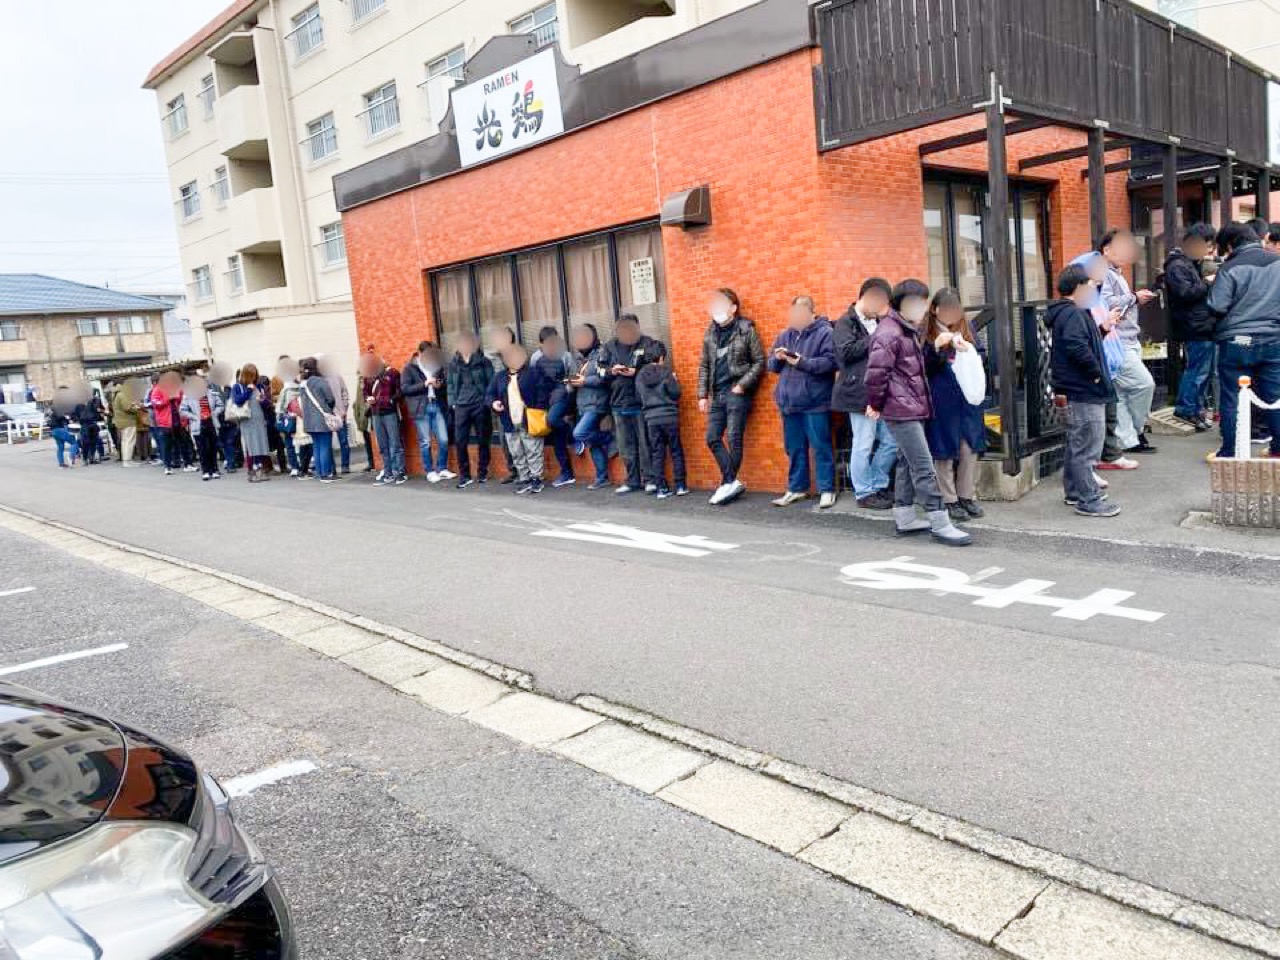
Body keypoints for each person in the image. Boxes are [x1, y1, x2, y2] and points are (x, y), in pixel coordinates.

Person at [865, 279, 971, 546]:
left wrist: (938, 347)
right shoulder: (889, 333)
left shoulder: (905, 329)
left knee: (905, 461)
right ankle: (940, 522)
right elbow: (876, 375)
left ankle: (905, 516)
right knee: (924, 466)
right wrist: (876, 405)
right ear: (898, 304)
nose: (920, 307)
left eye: (923, 301)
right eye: (914, 302)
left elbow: (916, 367)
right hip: (901, 409)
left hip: (910, 406)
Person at [1049, 265, 1121, 518]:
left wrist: (1102, 329)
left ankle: (1075, 492)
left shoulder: (1069, 314)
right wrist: (1096, 373)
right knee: (1087, 447)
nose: (1093, 290)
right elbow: (1077, 348)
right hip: (1083, 390)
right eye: (1090, 285)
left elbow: (1079, 344)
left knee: (1077, 444)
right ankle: (1088, 499)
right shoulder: (1073, 315)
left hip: (1076, 389)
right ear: (1078, 287)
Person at [1207, 221, 1280, 458]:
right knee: (1275, 397)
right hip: (1274, 339)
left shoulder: (1230, 268)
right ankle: (1278, 450)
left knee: (1233, 399)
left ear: (1229, 245)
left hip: (1237, 341)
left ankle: (1231, 452)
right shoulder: (1277, 262)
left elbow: (1217, 305)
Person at [922, 288, 987, 522]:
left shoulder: (967, 329)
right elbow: (921, 366)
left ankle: (966, 496)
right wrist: (938, 347)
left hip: (967, 399)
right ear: (934, 309)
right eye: (945, 308)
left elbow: (981, 356)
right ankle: (948, 499)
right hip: (941, 400)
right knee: (944, 452)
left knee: (969, 448)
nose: (950, 313)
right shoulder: (926, 332)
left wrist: (967, 350)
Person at [767, 296, 838, 509]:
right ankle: (797, 488)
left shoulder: (825, 333)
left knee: (821, 446)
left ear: (811, 313)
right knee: (794, 448)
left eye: (799, 313)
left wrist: (801, 362)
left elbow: (830, 363)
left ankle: (827, 489)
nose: (794, 318)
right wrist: (778, 358)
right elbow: (771, 365)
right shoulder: (784, 335)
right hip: (789, 402)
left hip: (815, 402)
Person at [832, 278, 897, 509]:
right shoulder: (845, 322)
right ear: (865, 297)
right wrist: (876, 336)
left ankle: (878, 484)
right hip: (856, 394)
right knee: (863, 443)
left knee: (891, 440)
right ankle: (863, 492)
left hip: (879, 393)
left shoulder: (877, 322)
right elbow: (846, 353)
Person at [697, 288, 765, 506]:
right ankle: (730, 481)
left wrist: (742, 386)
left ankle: (727, 483)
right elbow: (705, 366)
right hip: (716, 394)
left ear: (733, 308)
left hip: (737, 393)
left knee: (734, 438)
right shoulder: (710, 333)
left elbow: (759, 362)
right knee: (712, 438)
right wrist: (702, 395)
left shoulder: (746, 329)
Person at [1098, 229, 1158, 455]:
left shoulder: (1116, 273)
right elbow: (1106, 303)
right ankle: (1137, 429)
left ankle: (1129, 440)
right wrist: (1134, 297)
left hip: (1124, 339)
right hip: (1117, 341)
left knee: (1121, 393)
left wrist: (1133, 299)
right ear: (1106, 250)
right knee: (1144, 383)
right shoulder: (1103, 273)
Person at [1164, 223, 1219, 431]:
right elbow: (1185, 293)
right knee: (1197, 370)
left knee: (1201, 371)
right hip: (1194, 326)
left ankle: (1195, 410)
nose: (1209, 251)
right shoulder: (1178, 266)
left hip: (1201, 325)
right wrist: (1207, 282)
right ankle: (1186, 409)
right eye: (1208, 246)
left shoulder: (1189, 263)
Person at [605, 313, 663, 495]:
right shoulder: (609, 346)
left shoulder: (647, 343)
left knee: (645, 444)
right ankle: (632, 480)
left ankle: (650, 480)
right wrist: (611, 371)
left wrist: (636, 372)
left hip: (640, 403)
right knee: (625, 446)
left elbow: (656, 366)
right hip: (618, 403)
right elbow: (599, 371)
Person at [487, 343, 553, 494]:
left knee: (533, 449)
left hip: (529, 418)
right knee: (516, 451)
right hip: (509, 419)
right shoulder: (500, 377)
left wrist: (537, 409)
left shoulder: (533, 373)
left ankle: (537, 478)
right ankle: (525, 478)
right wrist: (494, 403)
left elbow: (544, 392)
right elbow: (489, 394)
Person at [636, 344, 687, 499]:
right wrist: (675, 381)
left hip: (651, 419)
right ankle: (680, 486)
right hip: (669, 416)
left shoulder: (640, 376)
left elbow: (639, 398)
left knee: (657, 453)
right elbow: (675, 393)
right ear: (662, 357)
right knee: (676, 451)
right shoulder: (666, 373)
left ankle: (661, 489)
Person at [567, 323, 614, 490]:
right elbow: (572, 380)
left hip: (598, 402)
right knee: (592, 442)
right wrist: (571, 383)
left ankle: (610, 438)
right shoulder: (576, 358)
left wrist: (584, 381)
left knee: (580, 433)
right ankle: (602, 477)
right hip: (582, 403)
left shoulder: (602, 353)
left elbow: (605, 378)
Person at [447, 331, 495, 488]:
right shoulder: (454, 363)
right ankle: (465, 475)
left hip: (479, 404)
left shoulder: (483, 362)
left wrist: (487, 401)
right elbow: (450, 385)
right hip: (461, 407)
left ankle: (482, 472)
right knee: (460, 441)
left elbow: (491, 383)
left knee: (483, 439)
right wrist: (452, 402)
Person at [402, 341, 453, 483]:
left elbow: (442, 383)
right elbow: (405, 389)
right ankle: (430, 471)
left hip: (436, 404)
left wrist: (438, 385)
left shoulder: (434, 366)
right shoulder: (409, 368)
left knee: (444, 438)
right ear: (420, 353)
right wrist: (424, 384)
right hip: (421, 408)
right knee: (425, 441)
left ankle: (442, 468)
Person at [532, 327, 576, 487]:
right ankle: (567, 472)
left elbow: (573, 377)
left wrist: (568, 403)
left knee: (552, 420)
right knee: (557, 438)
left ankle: (572, 434)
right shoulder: (536, 358)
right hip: (545, 401)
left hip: (562, 398)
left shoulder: (566, 356)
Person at [362, 352, 405, 484]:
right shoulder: (368, 376)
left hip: (390, 412)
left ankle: (400, 472)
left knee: (395, 443)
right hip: (376, 413)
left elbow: (400, 391)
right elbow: (365, 392)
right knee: (382, 445)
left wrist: (390, 401)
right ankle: (388, 472)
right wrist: (368, 399)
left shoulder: (392, 373)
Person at [487, 326, 521, 484]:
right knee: (505, 440)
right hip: (502, 408)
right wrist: (492, 401)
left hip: (519, 405)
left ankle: (526, 473)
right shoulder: (492, 359)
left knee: (523, 439)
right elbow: (489, 386)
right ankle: (513, 470)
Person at [298, 356, 339, 483]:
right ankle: (326, 474)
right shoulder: (320, 381)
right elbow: (330, 398)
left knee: (316, 446)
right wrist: (329, 409)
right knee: (325, 446)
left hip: (309, 420)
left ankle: (320, 473)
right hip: (322, 418)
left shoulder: (303, 385)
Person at [230, 365, 273, 482]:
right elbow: (238, 401)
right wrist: (249, 390)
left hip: (259, 419)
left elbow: (267, 404)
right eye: (252, 375)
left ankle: (262, 470)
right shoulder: (237, 387)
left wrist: (263, 400)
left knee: (262, 444)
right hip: (247, 420)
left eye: (255, 375)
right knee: (251, 445)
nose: (254, 378)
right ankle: (252, 471)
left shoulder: (259, 386)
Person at [180, 376, 224, 481]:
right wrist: (194, 417)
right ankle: (205, 471)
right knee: (202, 449)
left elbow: (220, 405)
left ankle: (214, 470)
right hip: (198, 424)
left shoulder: (212, 393)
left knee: (213, 448)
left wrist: (214, 413)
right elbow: (182, 410)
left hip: (211, 423)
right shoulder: (189, 396)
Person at [319, 356, 352, 475]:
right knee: (327, 443)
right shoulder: (318, 379)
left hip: (340, 413)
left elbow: (344, 392)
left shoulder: (337, 377)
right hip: (326, 415)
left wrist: (344, 408)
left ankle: (345, 465)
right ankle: (332, 468)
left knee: (343, 441)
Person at [148, 374, 182, 475]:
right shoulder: (157, 390)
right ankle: (167, 466)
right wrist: (167, 399)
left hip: (176, 419)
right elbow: (156, 403)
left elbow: (180, 399)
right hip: (164, 421)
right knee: (166, 444)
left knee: (177, 442)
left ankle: (177, 461)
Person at [48, 389, 80, 468]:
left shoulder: (51, 409)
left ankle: (61, 463)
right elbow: (62, 416)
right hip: (60, 429)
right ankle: (71, 457)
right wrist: (68, 418)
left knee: (60, 447)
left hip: (54, 431)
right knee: (74, 443)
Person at [111, 380, 139, 466]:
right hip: (127, 421)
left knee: (125, 441)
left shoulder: (115, 394)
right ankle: (128, 461)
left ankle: (126, 460)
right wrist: (136, 408)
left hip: (121, 421)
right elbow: (127, 407)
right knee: (129, 441)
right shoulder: (122, 394)